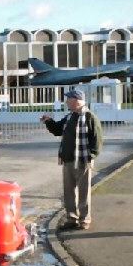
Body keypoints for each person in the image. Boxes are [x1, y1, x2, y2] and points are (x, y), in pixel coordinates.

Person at [40, 88, 103, 230]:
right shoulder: (69, 117)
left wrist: (91, 156)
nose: (67, 101)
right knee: (68, 191)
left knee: (83, 192)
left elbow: (97, 140)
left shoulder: (90, 117)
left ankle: (84, 219)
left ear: (77, 101)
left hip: (82, 160)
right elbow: (58, 130)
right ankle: (72, 218)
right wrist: (49, 121)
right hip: (68, 160)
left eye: (69, 99)